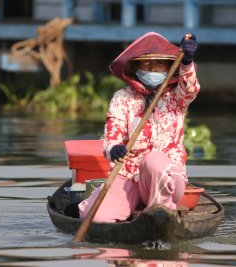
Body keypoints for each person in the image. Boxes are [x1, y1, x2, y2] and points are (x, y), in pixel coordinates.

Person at [78, 32, 199, 223]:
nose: (153, 68)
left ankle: (161, 212)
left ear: (168, 68)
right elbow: (111, 138)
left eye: (159, 64)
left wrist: (187, 63)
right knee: (94, 217)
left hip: (166, 178)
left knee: (153, 161)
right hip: (129, 177)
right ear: (136, 67)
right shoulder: (122, 98)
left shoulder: (175, 97)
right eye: (146, 63)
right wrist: (115, 150)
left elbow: (191, 89)